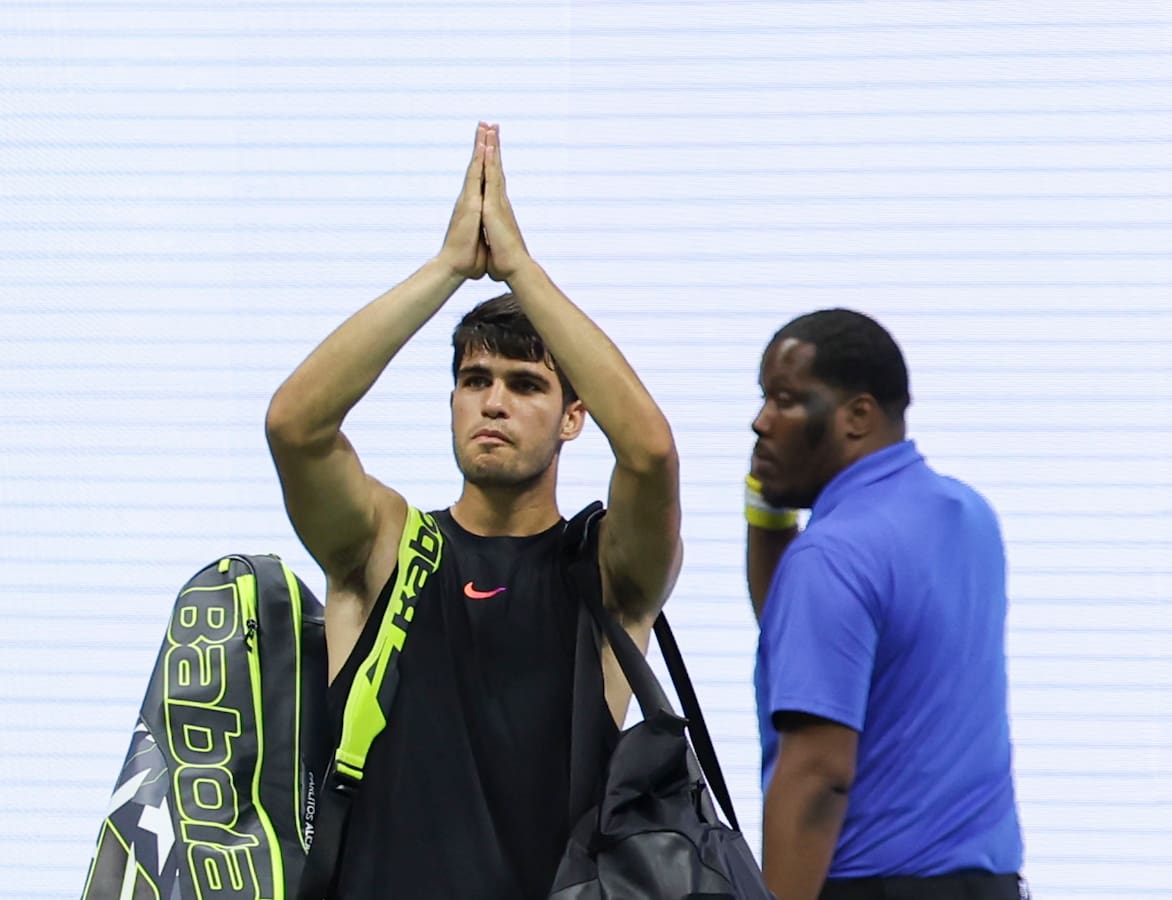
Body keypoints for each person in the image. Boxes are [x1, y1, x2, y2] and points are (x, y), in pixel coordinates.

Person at [265, 122, 682, 899]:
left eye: (526, 384)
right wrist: (447, 269)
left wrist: (520, 268)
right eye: (474, 380)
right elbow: (295, 426)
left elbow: (651, 452)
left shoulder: (603, 570)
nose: (493, 402)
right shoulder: (386, 546)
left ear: (575, 417)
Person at [746, 309, 1026, 900]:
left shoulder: (831, 556)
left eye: (786, 400)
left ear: (858, 416)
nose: (761, 422)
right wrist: (765, 501)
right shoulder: (969, 515)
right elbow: (797, 643)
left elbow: (819, 774)